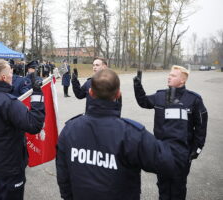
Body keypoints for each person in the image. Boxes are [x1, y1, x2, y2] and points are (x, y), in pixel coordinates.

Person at [56, 69, 188, 200]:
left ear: (90, 92)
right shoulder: (132, 134)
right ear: (118, 94)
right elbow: (172, 163)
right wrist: (174, 119)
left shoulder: (69, 130)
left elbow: (63, 176)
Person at [133, 65, 208, 200]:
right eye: (169, 74)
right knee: (163, 187)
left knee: (178, 189)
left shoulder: (194, 100)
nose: (169, 76)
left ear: (182, 81)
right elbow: (143, 102)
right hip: (162, 152)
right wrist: (137, 86)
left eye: (173, 75)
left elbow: (201, 127)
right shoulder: (160, 96)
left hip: (182, 154)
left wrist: (196, 149)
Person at [0, 59, 45, 200]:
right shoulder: (10, 103)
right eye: (10, 72)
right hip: (11, 167)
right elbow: (34, 125)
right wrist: (37, 94)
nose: (12, 75)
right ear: (4, 77)